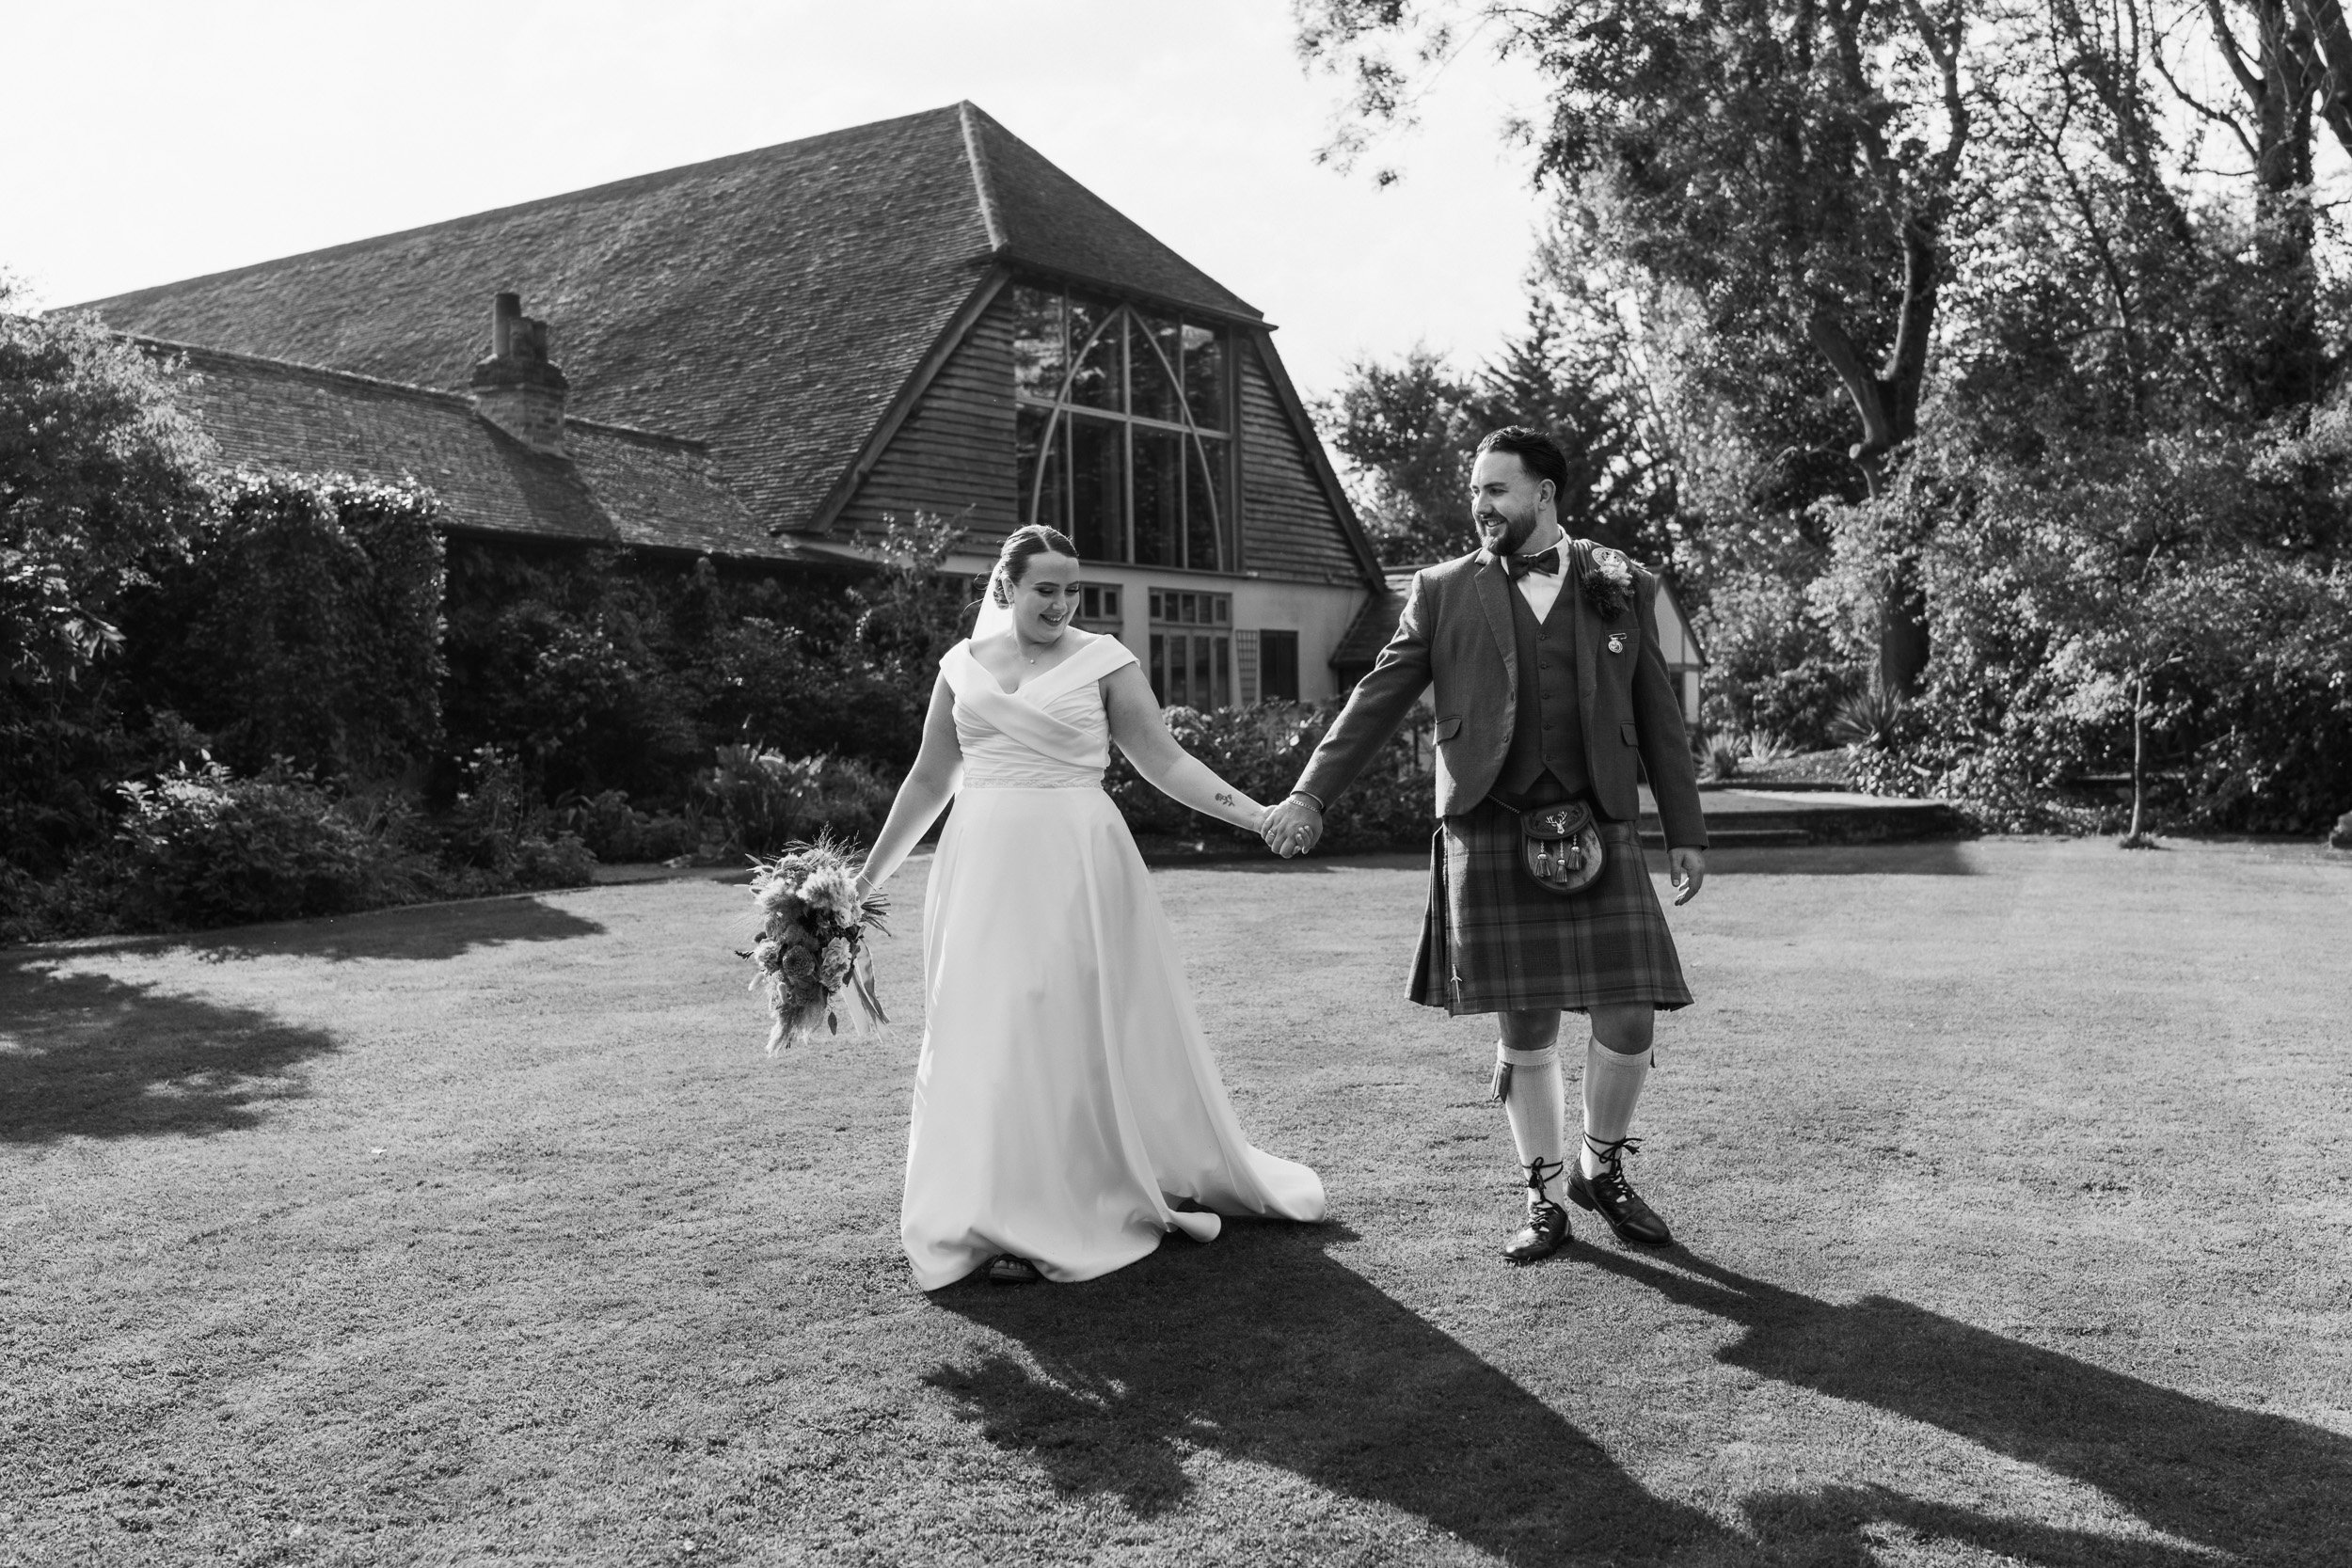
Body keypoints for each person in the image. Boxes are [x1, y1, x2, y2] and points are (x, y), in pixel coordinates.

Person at [1262, 427, 1707, 1264]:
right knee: (1527, 1017)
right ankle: (1542, 1195)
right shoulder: (1439, 590)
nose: (1481, 505)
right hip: (1489, 818)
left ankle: (1599, 1167)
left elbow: (1658, 717)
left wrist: (1684, 830)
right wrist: (1310, 792)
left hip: (1601, 818)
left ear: (1544, 493)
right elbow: (1376, 698)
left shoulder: (1621, 582)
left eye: (1497, 489)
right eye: (1476, 490)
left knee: (1632, 1009)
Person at [857, 524, 1326, 1289]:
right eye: (1047, 587)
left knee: (1059, 1021)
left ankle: (1067, 1198)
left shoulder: (1105, 661)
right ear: (1005, 588)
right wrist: (861, 886)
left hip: (1076, 864)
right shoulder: (959, 668)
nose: (1062, 602)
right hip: (979, 871)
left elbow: (1164, 760)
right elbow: (927, 781)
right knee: (987, 1032)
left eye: (1072, 588)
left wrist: (1259, 813)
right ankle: (989, 1209)